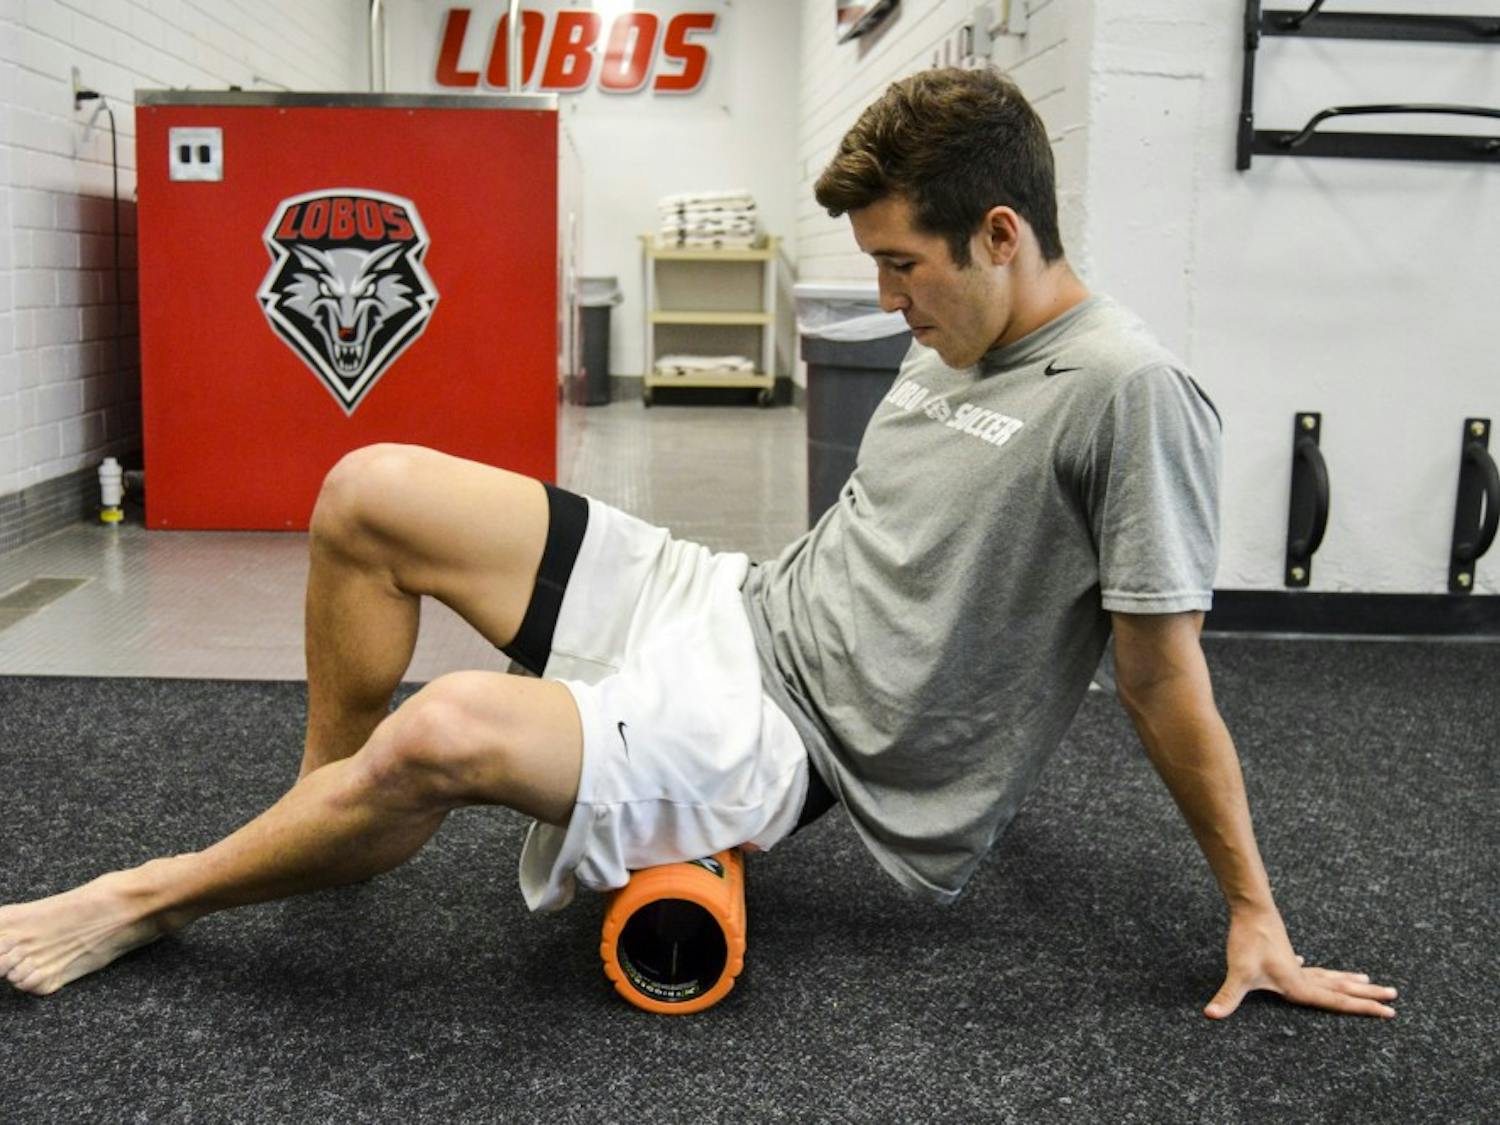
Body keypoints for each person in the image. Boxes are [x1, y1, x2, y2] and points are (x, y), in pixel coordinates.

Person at [0, 67, 1396, 1020]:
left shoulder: (1128, 394)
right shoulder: (963, 323)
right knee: (368, 486)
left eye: (904, 266)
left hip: (783, 735)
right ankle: (310, 819)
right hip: (724, 597)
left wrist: (1253, 908)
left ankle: (147, 898)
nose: (889, 297)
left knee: (441, 737)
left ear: (1002, 233)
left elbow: (1164, 680)